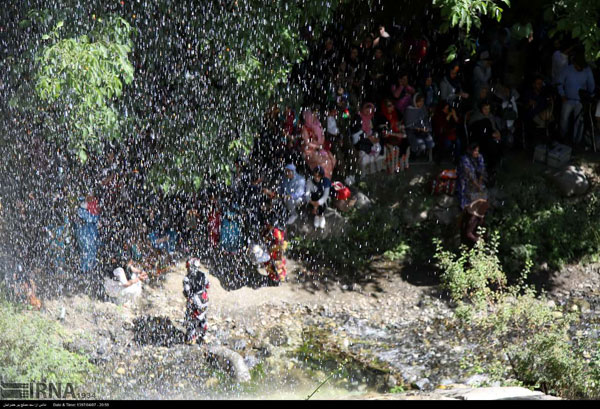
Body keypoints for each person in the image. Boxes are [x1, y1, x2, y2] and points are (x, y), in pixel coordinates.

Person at [557, 53, 596, 145]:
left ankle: (576, 142)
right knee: (564, 120)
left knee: (579, 122)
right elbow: (559, 83)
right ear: (574, 64)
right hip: (567, 99)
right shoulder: (567, 69)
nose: (580, 69)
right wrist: (562, 95)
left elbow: (591, 85)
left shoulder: (587, 70)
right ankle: (562, 138)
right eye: (578, 67)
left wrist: (589, 97)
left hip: (581, 101)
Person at [469, 101, 502, 182]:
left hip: (489, 138)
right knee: (489, 147)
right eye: (485, 109)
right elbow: (476, 131)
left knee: (496, 145)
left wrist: (497, 133)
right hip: (479, 140)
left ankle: (493, 168)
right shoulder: (477, 117)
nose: (487, 111)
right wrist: (490, 134)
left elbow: (493, 128)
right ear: (481, 109)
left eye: (488, 109)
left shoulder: (490, 116)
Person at [301, 109, 337, 179]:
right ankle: (321, 179)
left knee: (331, 160)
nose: (314, 116)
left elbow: (322, 136)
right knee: (323, 162)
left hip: (320, 149)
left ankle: (326, 181)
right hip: (309, 151)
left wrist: (320, 145)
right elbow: (307, 143)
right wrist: (317, 146)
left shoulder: (318, 125)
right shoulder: (305, 128)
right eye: (312, 115)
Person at [351, 102, 385, 175]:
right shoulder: (358, 117)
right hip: (360, 141)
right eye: (367, 109)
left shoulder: (370, 118)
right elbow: (356, 131)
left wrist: (374, 137)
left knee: (378, 148)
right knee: (365, 157)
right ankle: (363, 174)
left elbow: (372, 130)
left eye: (370, 110)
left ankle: (373, 173)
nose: (368, 112)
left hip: (368, 140)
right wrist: (367, 137)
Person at [376, 99, 410, 171]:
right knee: (395, 143)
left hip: (395, 134)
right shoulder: (382, 116)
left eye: (392, 105)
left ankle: (403, 163)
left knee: (406, 140)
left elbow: (400, 124)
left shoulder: (396, 113)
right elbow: (383, 131)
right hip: (387, 137)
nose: (392, 107)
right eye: (389, 106)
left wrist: (400, 127)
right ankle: (393, 165)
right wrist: (394, 132)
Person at [183, 258, 210, 344]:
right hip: (204, 299)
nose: (187, 269)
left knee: (192, 319)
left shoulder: (187, 279)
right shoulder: (203, 275)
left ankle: (191, 338)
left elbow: (187, 292)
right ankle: (203, 336)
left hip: (195, 300)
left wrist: (189, 299)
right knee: (203, 318)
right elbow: (208, 285)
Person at [404, 93, 435, 162]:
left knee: (430, 141)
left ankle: (426, 155)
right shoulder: (409, 110)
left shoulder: (423, 109)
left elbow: (425, 120)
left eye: (422, 101)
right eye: (419, 101)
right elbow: (408, 124)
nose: (421, 103)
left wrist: (426, 127)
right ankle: (414, 155)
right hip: (411, 131)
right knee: (420, 144)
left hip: (421, 131)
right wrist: (417, 128)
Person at [457, 143, 488, 209]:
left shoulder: (479, 157)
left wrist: (479, 183)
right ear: (470, 151)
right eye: (475, 151)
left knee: (482, 194)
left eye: (478, 151)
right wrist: (476, 185)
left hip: (476, 179)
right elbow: (469, 174)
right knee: (466, 196)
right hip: (466, 180)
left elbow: (481, 170)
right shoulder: (464, 159)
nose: (477, 153)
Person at [76, 194, 100, 274]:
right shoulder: (82, 209)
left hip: (91, 233)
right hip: (85, 233)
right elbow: (91, 218)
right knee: (87, 251)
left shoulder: (91, 209)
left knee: (91, 251)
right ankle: (85, 270)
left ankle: (90, 269)